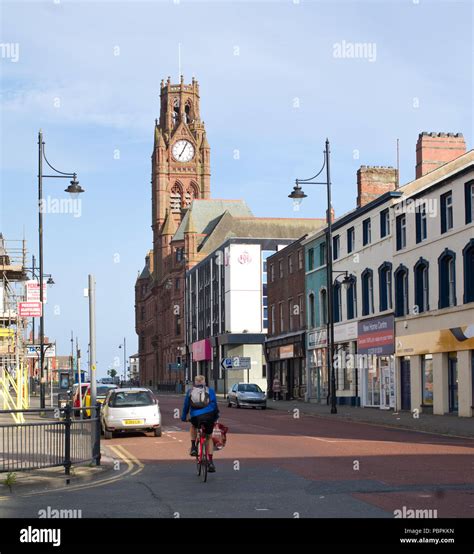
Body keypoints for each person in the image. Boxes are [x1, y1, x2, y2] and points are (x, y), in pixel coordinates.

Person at [181, 375, 219, 473]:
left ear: (195, 382)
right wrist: (215, 418)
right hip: (209, 415)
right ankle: (210, 462)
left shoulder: (190, 391)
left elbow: (186, 406)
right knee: (209, 437)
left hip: (195, 416)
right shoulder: (210, 391)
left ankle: (193, 446)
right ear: (204, 382)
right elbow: (215, 405)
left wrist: (184, 417)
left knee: (193, 426)